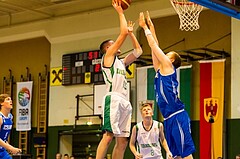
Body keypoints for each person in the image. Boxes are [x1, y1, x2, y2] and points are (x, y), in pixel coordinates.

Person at [138, 11, 195, 159]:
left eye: (167, 54)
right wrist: (152, 26)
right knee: (175, 156)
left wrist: (144, 28)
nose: (163, 55)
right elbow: (154, 48)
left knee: (186, 154)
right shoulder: (160, 70)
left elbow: (153, 45)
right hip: (168, 119)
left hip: (178, 116)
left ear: (171, 60)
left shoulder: (169, 68)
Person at [96, 0, 143, 159]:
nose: (115, 44)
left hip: (124, 101)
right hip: (114, 99)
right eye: (112, 43)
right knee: (108, 136)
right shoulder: (107, 58)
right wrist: (120, 12)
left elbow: (138, 51)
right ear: (108, 48)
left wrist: (131, 33)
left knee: (122, 142)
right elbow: (122, 33)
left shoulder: (121, 63)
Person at [0, 94, 22, 159]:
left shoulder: (10, 117)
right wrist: (11, 148)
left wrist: (11, 148)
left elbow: (4, 138)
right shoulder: (0, 118)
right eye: (8, 99)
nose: (11, 101)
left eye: (11, 99)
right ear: (1, 103)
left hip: (2, 151)